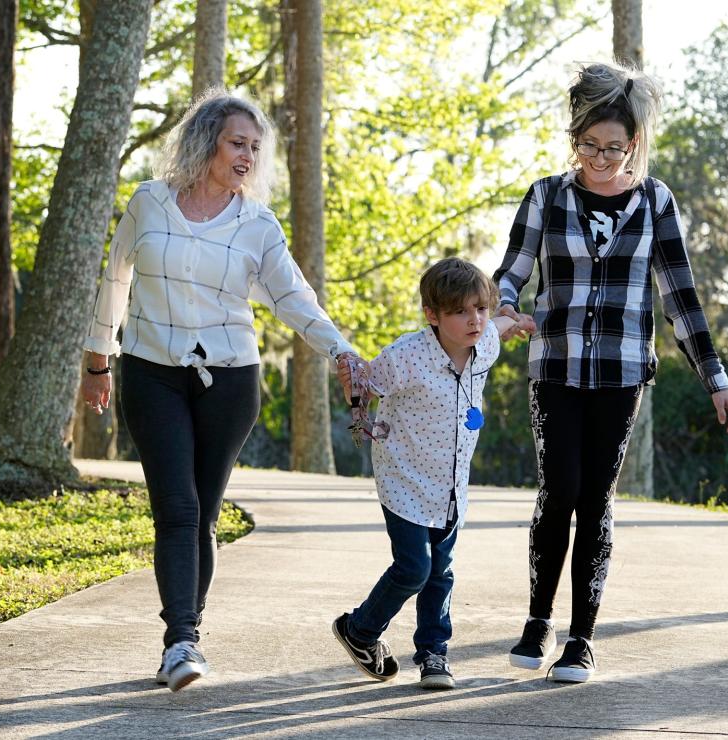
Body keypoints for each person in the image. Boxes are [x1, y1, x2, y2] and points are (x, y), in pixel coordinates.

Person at [80, 90, 361, 692]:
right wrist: (97, 361)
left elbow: (293, 297)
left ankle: (185, 634)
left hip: (230, 379)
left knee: (203, 513)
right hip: (151, 372)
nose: (247, 156)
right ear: (207, 140)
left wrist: (340, 350)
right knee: (177, 508)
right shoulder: (150, 203)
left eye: (255, 149)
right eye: (238, 143)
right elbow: (117, 276)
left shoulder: (257, 224)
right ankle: (181, 640)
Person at [494, 61, 728, 683]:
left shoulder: (656, 201)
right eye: (589, 145)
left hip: (622, 372)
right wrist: (501, 311)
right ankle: (536, 621)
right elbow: (512, 272)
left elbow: (680, 298)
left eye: (615, 147)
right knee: (558, 493)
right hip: (554, 367)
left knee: (595, 497)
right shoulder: (546, 195)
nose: (601, 158)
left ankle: (580, 638)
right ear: (574, 139)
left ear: (633, 142)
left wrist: (716, 379)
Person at [332, 257, 535, 690]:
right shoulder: (406, 355)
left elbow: (497, 327)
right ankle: (360, 630)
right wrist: (352, 384)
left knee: (441, 573)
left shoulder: (486, 345)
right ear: (433, 315)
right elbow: (365, 386)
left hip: (451, 486)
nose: (473, 320)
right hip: (404, 480)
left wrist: (510, 321)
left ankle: (433, 654)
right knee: (414, 569)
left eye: (479, 308)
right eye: (460, 311)